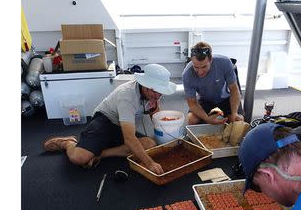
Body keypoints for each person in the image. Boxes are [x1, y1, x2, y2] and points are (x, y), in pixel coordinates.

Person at [42, 64, 176, 174]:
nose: (158, 95)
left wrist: (169, 136)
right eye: (155, 91)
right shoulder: (126, 96)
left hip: (123, 125)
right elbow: (129, 139)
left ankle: (102, 154)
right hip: (105, 121)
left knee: (150, 144)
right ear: (145, 85)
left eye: (161, 91)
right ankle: (68, 142)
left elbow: (157, 116)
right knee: (79, 158)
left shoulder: (154, 94)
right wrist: (150, 163)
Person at [183, 41, 244, 125]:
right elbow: (192, 103)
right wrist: (207, 119)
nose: (200, 72)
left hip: (226, 99)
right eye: (196, 67)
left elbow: (234, 90)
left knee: (238, 120)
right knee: (192, 119)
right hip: (206, 100)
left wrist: (234, 113)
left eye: (204, 66)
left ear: (211, 60)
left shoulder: (225, 63)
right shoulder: (187, 74)